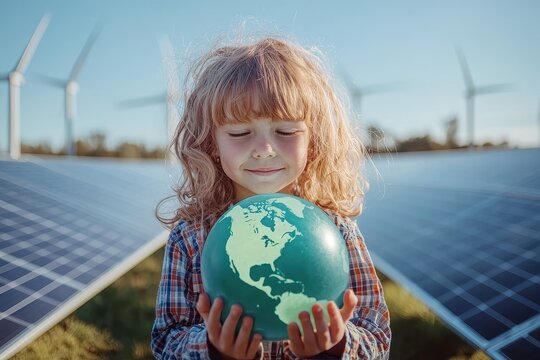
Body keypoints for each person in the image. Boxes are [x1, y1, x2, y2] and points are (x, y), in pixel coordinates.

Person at [151, 36, 391, 359]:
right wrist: (213, 349)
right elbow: (166, 341)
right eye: (239, 133)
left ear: (313, 140)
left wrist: (335, 346)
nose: (264, 149)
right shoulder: (190, 239)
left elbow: (376, 336)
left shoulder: (336, 232)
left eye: (286, 131)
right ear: (212, 143)